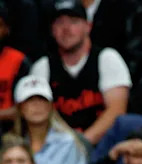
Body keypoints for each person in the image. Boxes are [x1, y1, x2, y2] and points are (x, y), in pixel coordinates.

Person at [32, 0, 131, 145]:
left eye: (73, 22)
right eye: (59, 23)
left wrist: (80, 144)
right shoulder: (42, 67)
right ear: (52, 30)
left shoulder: (107, 58)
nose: (66, 29)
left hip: (103, 146)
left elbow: (116, 111)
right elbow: (35, 114)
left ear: (88, 26)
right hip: (56, 146)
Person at [12, 74, 87, 164]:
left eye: (42, 99)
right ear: (20, 108)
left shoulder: (67, 142)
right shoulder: (13, 143)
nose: (37, 105)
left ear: (51, 106)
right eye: (30, 100)